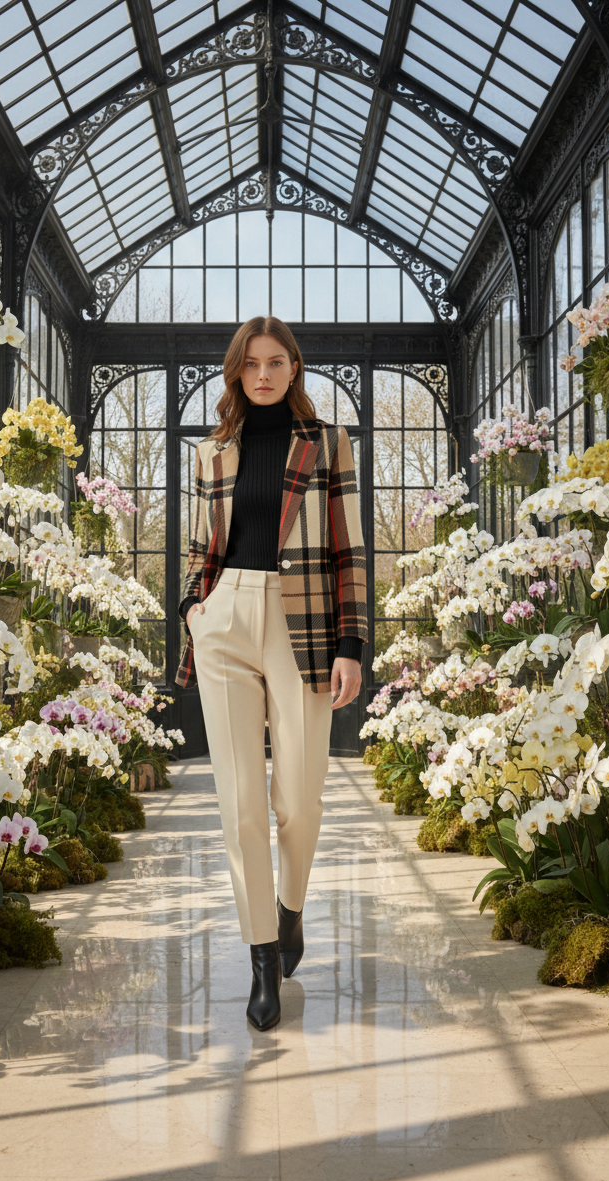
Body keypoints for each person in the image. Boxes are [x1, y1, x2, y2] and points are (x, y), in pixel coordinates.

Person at [175, 315, 368, 1031]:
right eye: (251, 363)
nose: (263, 374)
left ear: (294, 369)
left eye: (276, 362)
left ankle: (290, 911)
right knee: (240, 805)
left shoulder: (328, 442)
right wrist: (194, 610)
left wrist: (352, 643)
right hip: (225, 619)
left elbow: (349, 548)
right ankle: (262, 957)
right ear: (237, 371)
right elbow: (200, 549)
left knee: (299, 801)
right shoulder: (211, 452)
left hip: (304, 624)